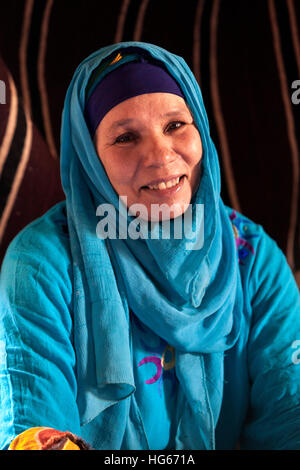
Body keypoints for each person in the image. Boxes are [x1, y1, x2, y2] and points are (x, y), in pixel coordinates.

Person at [0, 41, 299, 451]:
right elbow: (34, 429)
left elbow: (290, 415)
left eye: (176, 125)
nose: (160, 155)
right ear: (90, 160)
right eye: (125, 137)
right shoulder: (40, 265)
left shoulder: (253, 260)